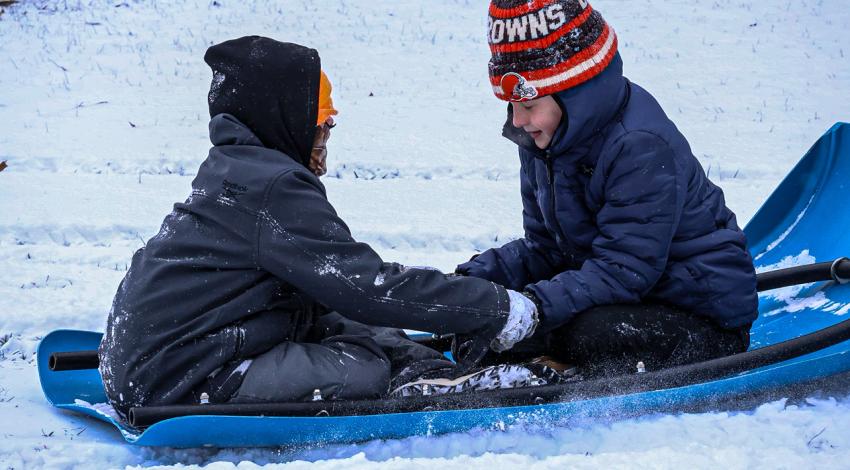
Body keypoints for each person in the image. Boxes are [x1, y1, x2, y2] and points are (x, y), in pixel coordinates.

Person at [98, 36, 552, 419]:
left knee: (338, 314)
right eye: (320, 127)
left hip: (154, 359)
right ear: (282, 118)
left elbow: (339, 291)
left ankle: (423, 369)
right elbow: (369, 286)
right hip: (176, 381)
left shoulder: (236, 168)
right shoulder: (272, 186)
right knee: (365, 370)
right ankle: (410, 379)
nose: (324, 144)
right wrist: (496, 308)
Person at [455, 0, 758, 377]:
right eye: (512, 104)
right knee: (489, 332)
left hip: (698, 317)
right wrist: (474, 281)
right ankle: (541, 360)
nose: (519, 121)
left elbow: (624, 269)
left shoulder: (639, 144)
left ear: (573, 90)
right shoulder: (545, 141)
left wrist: (532, 307)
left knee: (578, 333)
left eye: (529, 104)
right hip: (630, 298)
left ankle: (565, 370)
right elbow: (546, 249)